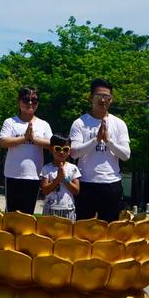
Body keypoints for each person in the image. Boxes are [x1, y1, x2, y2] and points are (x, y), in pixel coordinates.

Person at [69, 78, 130, 222]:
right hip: (86, 182)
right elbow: (74, 152)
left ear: (111, 99)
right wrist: (95, 140)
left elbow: (126, 155)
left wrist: (108, 141)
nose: (103, 100)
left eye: (107, 97)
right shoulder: (80, 123)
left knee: (109, 230)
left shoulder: (119, 124)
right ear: (91, 98)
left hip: (111, 183)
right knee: (83, 229)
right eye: (99, 96)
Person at [0, 86, 53, 214]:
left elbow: (52, 145)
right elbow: (3, 142)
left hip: (34, 175)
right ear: (19, 101)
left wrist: (34, 139)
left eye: (34, 100)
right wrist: (24, 138)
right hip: (13, 174)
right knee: (11, 212)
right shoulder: (11, 122)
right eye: (26, 99)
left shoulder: (43, 124)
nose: (30, 103)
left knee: (28, 213)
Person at [40, 135, 81, 221]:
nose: (62, 152)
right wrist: (57, 179)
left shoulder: (73, 168)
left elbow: (76, 191)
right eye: (58, 149)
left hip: (68, 209)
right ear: (51, 149)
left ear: (69, 151)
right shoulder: (46, 168)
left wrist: (65, 178)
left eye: (65, 149)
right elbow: (45, 190)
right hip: (50, 209)